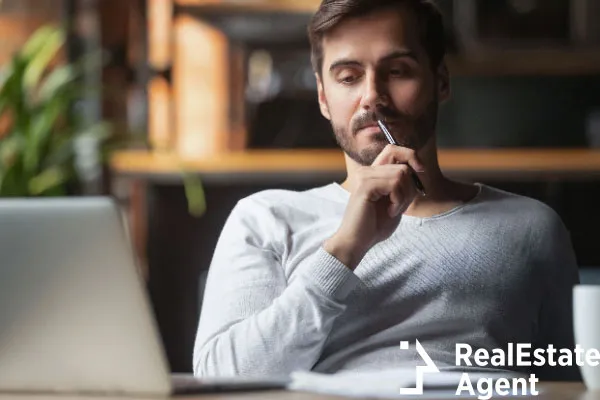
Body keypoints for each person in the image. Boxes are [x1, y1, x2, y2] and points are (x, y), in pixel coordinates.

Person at [193, 0, 580, 381]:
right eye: (348, 77)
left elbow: (571, 381)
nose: (372, 96)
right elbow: (224, 378)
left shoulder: (532, 227)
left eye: (397, 71)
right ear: (323, 97)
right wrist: (344, 249)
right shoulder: (265, 219)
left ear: (441, 82)